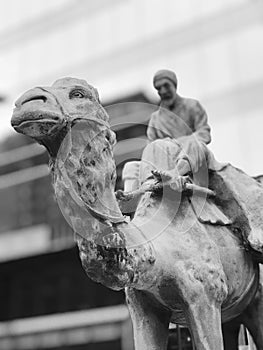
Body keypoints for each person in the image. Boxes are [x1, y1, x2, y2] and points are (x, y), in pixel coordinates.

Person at [146, 69, 222, 187]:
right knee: (130, 167)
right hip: (167, 161)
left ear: (174, 85)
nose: (163, 91)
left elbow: (204, 133)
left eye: (166, 86)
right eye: (158, 88)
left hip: (195, 158)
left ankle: (175, 174)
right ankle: (134, 195)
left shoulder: (192, 106)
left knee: (194, 143)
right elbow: (151, 147)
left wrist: (178, 143)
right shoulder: (155, 119)